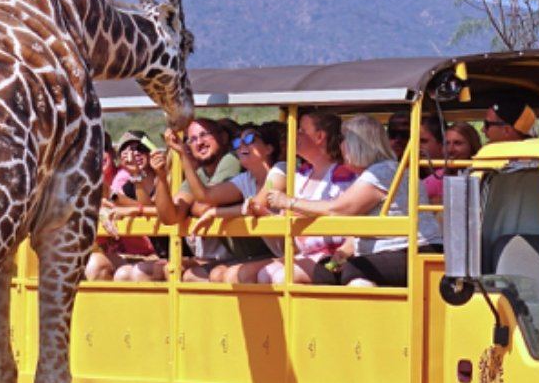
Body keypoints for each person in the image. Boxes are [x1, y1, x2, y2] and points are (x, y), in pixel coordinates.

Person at [267, 114, 442, 287]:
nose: (340, 146)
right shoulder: (377, 172)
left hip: (414, 251)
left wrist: (289, 202)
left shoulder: (382, 172)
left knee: (355, 271)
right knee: (324, 270)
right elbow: (362, 225)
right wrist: (343, 252)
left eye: (343, 140)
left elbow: (339, 209)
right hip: (388, 252)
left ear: (356, 145)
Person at [255, 111, 355, 284]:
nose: (294, 135)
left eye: (301, 130)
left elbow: (344, 212)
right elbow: (288, 217)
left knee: (279, 277)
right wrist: (264, 213)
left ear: (319, 136)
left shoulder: (343, 175)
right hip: (305, 253)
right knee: (259, 274)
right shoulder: (302, 175)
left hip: (335, 255)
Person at [155, 117, 253, 282]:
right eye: (192, 139)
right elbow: (170, 217)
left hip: (255, 253)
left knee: (197, 276)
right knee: (175, 270)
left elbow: (206, 202)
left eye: (204, 135)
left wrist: (191, 209)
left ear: (223, 137)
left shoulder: (232, 159)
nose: (199, 142)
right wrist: (161, 177)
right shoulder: (200, 175)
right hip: (232, 256)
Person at [187, 121, 283, 283]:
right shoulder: (246, 179)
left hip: (295, 252)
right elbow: (205, 196)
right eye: (238, 142)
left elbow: (257, 205)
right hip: (277, 254)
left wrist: (215, 213)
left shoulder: (281, 169)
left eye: (250, 139)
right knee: (214, 274)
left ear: (269, 148)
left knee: (235, 276)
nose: (241, 145)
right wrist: (184, 158)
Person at [85, 131, 158, 280]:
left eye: (140, 148)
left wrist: (130, 208)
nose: (134, 154)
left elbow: (147, 207)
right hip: (128, 253)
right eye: (91, 152)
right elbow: (115, 198)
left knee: (124, 274)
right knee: (92, 265)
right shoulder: (129, 185)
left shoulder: (165, 178)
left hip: (157, 252)